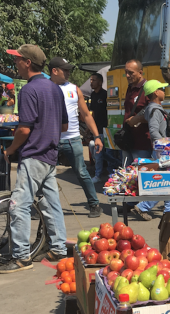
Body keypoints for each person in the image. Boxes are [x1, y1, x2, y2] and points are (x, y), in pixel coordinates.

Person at [0, 44, 69, 273]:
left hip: (34, 155)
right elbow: (64, 125)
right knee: (50, 203)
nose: (15, 64)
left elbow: (24, 129)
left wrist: (10, 151)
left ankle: (20, 257)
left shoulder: (28, 90)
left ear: (27, 63)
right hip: (50, 154)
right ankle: (58, 247)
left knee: (19, 205)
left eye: (18, 60)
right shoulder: (55, 88)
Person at [49, 56, 104, 218]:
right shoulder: (45, 87)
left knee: (82, 172)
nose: (68, 72)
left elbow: (86, 114)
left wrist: (96, 136)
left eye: (68, 69)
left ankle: (94, 204)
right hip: (51, 139)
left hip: (73, 139)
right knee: (45, 174)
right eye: (65, 70)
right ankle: (42, 206)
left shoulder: (74, 89)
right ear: (54, 71)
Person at [125, 79, 170, 220]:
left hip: (160, 150)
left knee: (169, 180)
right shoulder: (155, 110)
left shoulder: (150, 108)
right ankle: (145, 207)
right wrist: (166, 146)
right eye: (162, 89)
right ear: (156, 92)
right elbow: (154, 131)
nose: (164, 91)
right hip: (162, 151)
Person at [89, 72, 117, 182]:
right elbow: (93, 113)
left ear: (100, 82)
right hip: (97, 130)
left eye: (93, 80)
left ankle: (111, 173)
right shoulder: (93, 95)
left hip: (107, 128)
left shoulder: (105, 95)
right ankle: (98, 175)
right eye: (91, 80)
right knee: (98, 153)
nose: (91, 82)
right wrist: (89, 128)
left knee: (109, 152)